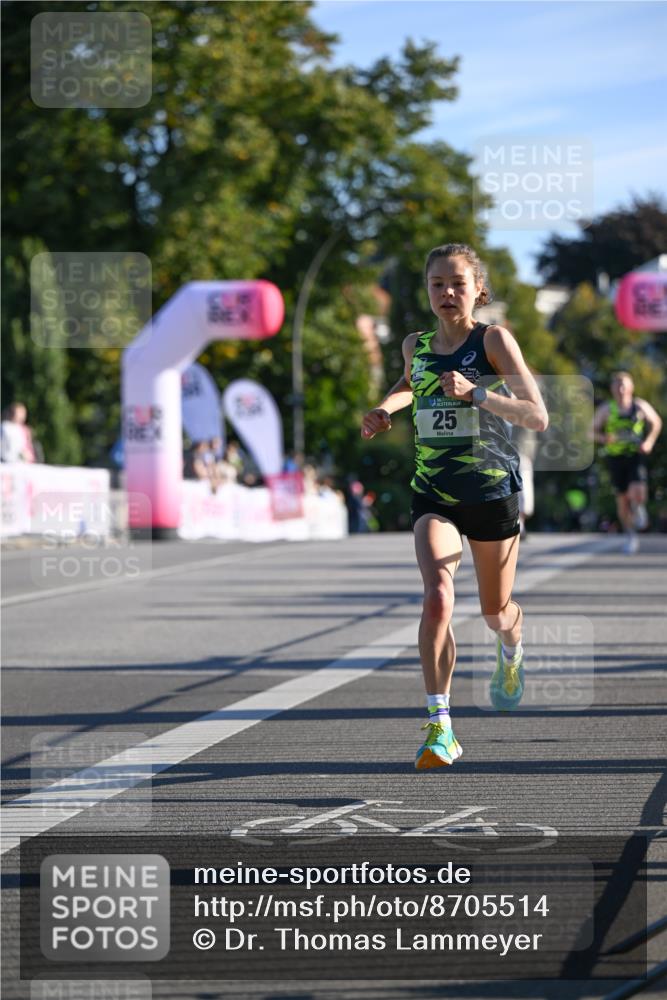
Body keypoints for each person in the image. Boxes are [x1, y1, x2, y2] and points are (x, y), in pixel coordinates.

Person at [361, 243, 548, 770]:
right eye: (437, 284)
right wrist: (384, 407)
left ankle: (512, 646)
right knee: (438, 596)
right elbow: (409, 383)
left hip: (490, 493)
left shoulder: (493, 340)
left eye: (457, 283)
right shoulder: (414, 344)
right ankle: (440, 726)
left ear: (477, 289)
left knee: (494, 611)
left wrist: (478, 395)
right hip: (434, 494)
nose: (447, 293)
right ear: (427, 291)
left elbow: (537, 416)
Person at [593, 371, 662, 554]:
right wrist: (604, 438)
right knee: (622, 501)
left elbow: (656, 422)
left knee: (638, 491)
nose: (621, 388)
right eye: (617, 385)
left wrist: (649, 442)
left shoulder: (639, 406)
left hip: (635, 454)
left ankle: (639, 507)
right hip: (615, 458)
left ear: (631, 387)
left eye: (624, 384)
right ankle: (631, 535)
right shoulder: (607, 409)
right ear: (612, 389)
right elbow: (591, 432)